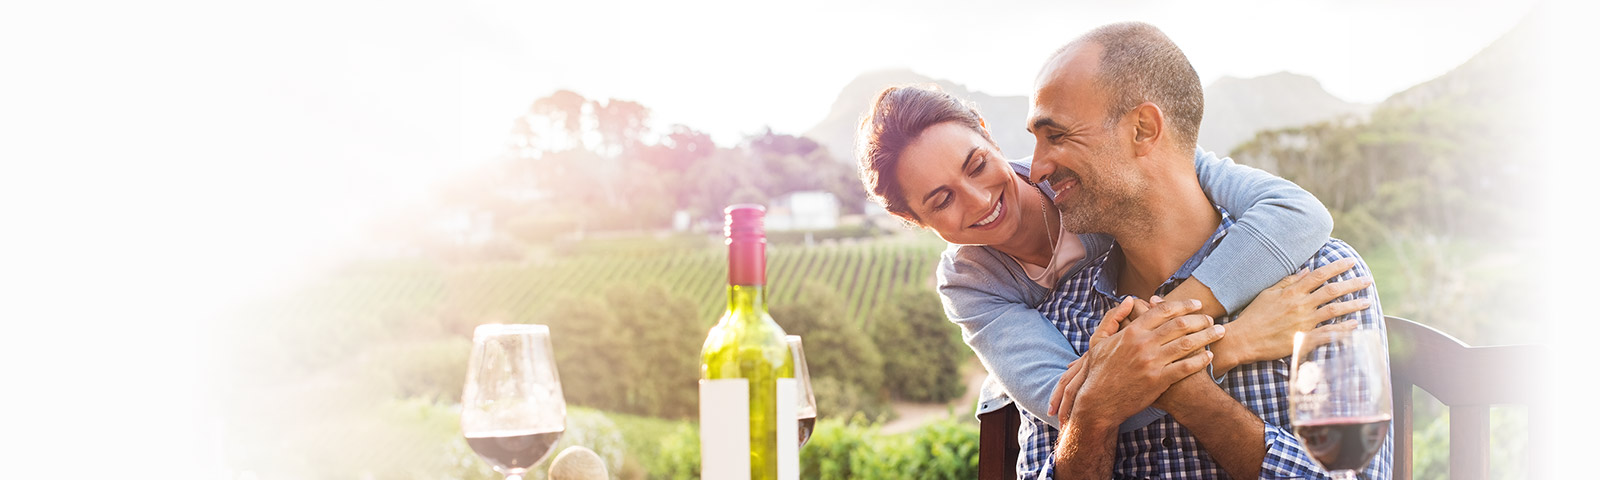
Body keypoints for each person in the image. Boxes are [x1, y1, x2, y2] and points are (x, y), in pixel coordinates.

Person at [855, 84, 1366, 436]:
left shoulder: (1094, 170)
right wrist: (1231, 342)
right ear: (917, 221)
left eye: (977, 164)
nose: (979, 199)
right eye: (940, 201)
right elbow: (1076, 407)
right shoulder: (971, 283)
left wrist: (1166, 322)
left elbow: (1297, 213)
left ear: (988, 135)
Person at [1023, 22, 1391, 479]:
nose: (1035, 167)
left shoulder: (1320, 279)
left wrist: (1186, 388)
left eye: (1055, 136)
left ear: (1143, 129)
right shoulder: (1062, 316)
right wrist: (1093, 414)